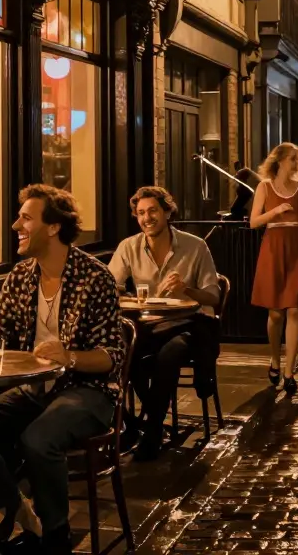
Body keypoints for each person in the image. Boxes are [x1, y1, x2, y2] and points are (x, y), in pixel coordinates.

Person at [0, 185, 125, 553]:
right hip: (34, 390)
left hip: (88, 391)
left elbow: (112, 357)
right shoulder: (21, 277)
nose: (15, 225)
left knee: (38, 439)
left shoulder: (95, 277)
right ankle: (19, 509)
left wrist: (69, 356)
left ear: (54, 227)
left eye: (26, 218)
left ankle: (56, 536)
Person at [108, 186, 221, 462]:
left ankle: (153, 429)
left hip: (189, 324)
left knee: (169, 355)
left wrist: (187, 289)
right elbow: (110, 285)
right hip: (148, 325)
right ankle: (141, 422)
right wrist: (119, 291)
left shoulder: (195, 246)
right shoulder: (129, 247)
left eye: (153, 211)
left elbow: (213, 296)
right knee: (125, 352)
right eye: (141, 213)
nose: (147, 218)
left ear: (167, 212)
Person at [249, 143, 298, 396]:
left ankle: (290, 372)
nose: (297, 163)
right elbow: (253, 222)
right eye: (293, 159)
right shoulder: (264, 186)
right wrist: (276, 210)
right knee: (275, 314)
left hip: (297, 248)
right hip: (273, 247)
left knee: (294, 310)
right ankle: (274, 358)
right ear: (279, 160)